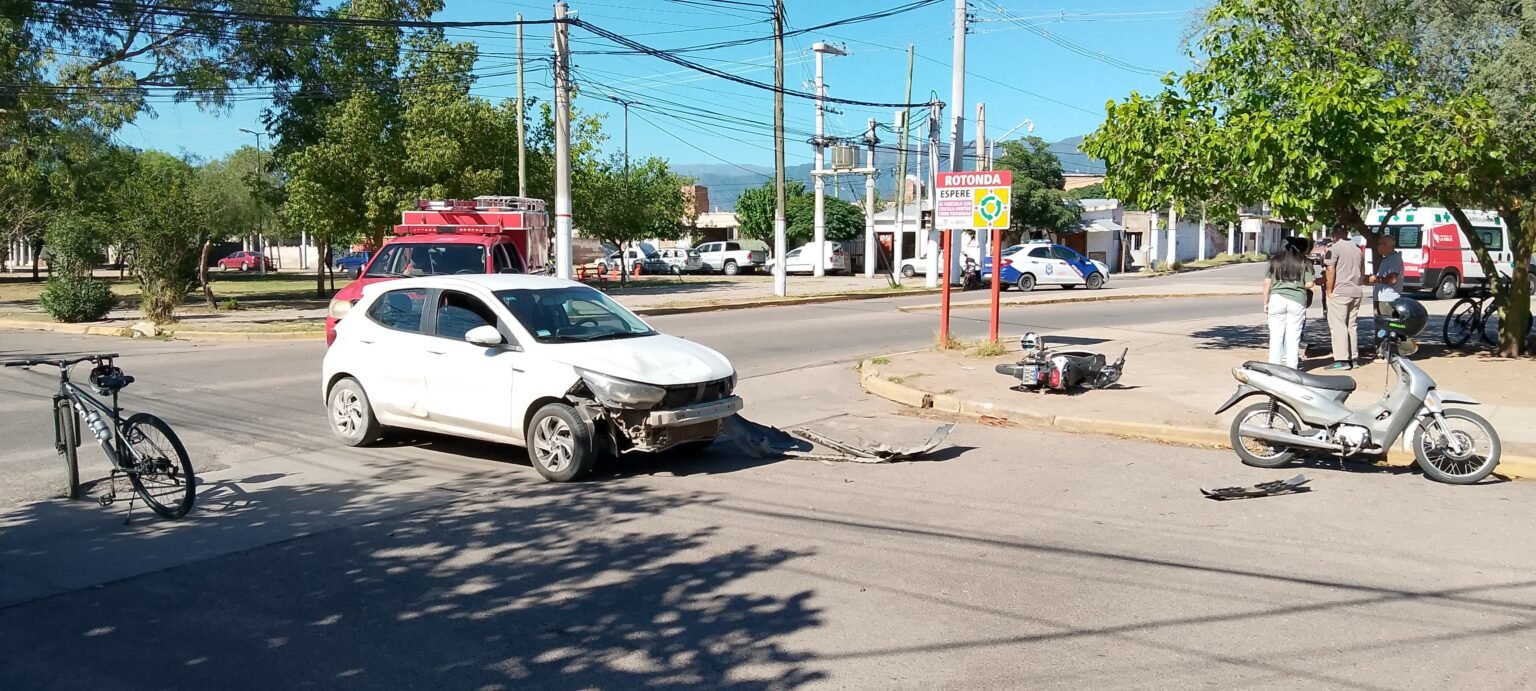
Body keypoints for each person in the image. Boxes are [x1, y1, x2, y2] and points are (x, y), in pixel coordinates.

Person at [1264, 242, 1315, 369]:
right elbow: (1310, 284)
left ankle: (1274, 366)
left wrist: (1265, 302)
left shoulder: (1274, 261)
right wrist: (1296, 285)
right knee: (1294, 336)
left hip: (1276, 299)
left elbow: (1267, 283)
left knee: (1276, 335)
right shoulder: (1304, 262)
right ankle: (1292, 367)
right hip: (1297, 301)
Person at [1323, 227, 1366, 369]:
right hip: (1355, 291)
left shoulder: (1334, 249)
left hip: (1340, 292)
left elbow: (1330, 269)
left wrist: (1329, 291)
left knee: (1338, 326)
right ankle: (1353, 357)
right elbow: (1362, 271)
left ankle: (1342, 360)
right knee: (1351, 326)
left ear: (1335, 236)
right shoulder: (1358, 249)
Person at [1367, 233, 1403, 358]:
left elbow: (1392, 279)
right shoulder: (1387, 258)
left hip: (1387, 298)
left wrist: (1376, 279)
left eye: (1380, 244)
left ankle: (1385, 353)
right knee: (1381, 325)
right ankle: (1382, 351)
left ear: (1387, 246)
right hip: (1383, 297)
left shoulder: (1393, 259)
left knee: (1385, 325)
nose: (1378, 246)